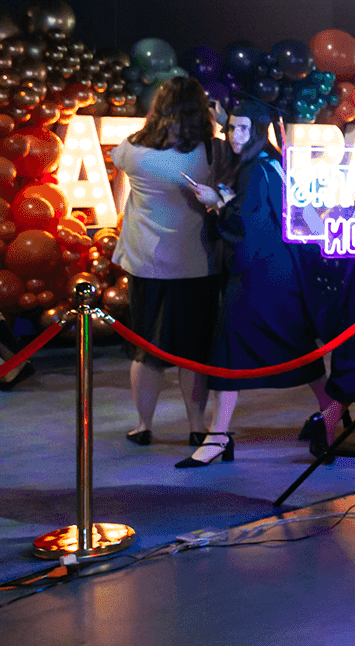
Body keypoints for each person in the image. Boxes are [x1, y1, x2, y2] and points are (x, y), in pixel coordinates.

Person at [181, 99, 338, 468]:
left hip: (260, 274)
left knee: (234, 348)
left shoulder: (257, 169)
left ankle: (220, 436)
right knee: (291, 348)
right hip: (276, 272)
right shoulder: (269, 163)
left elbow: (247, 226)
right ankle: (331, 416)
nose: (235, 136)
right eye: (231, 128)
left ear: (258, 130)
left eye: (242, 129)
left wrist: (216, 203)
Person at [112, 76, 223, 447]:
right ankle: (196, 425)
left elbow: (118, 159)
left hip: (145, 261)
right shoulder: (210, 151)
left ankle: (143, 425)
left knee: (147, 348)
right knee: (195, 350)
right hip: (196, 262)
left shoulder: (131, 150)